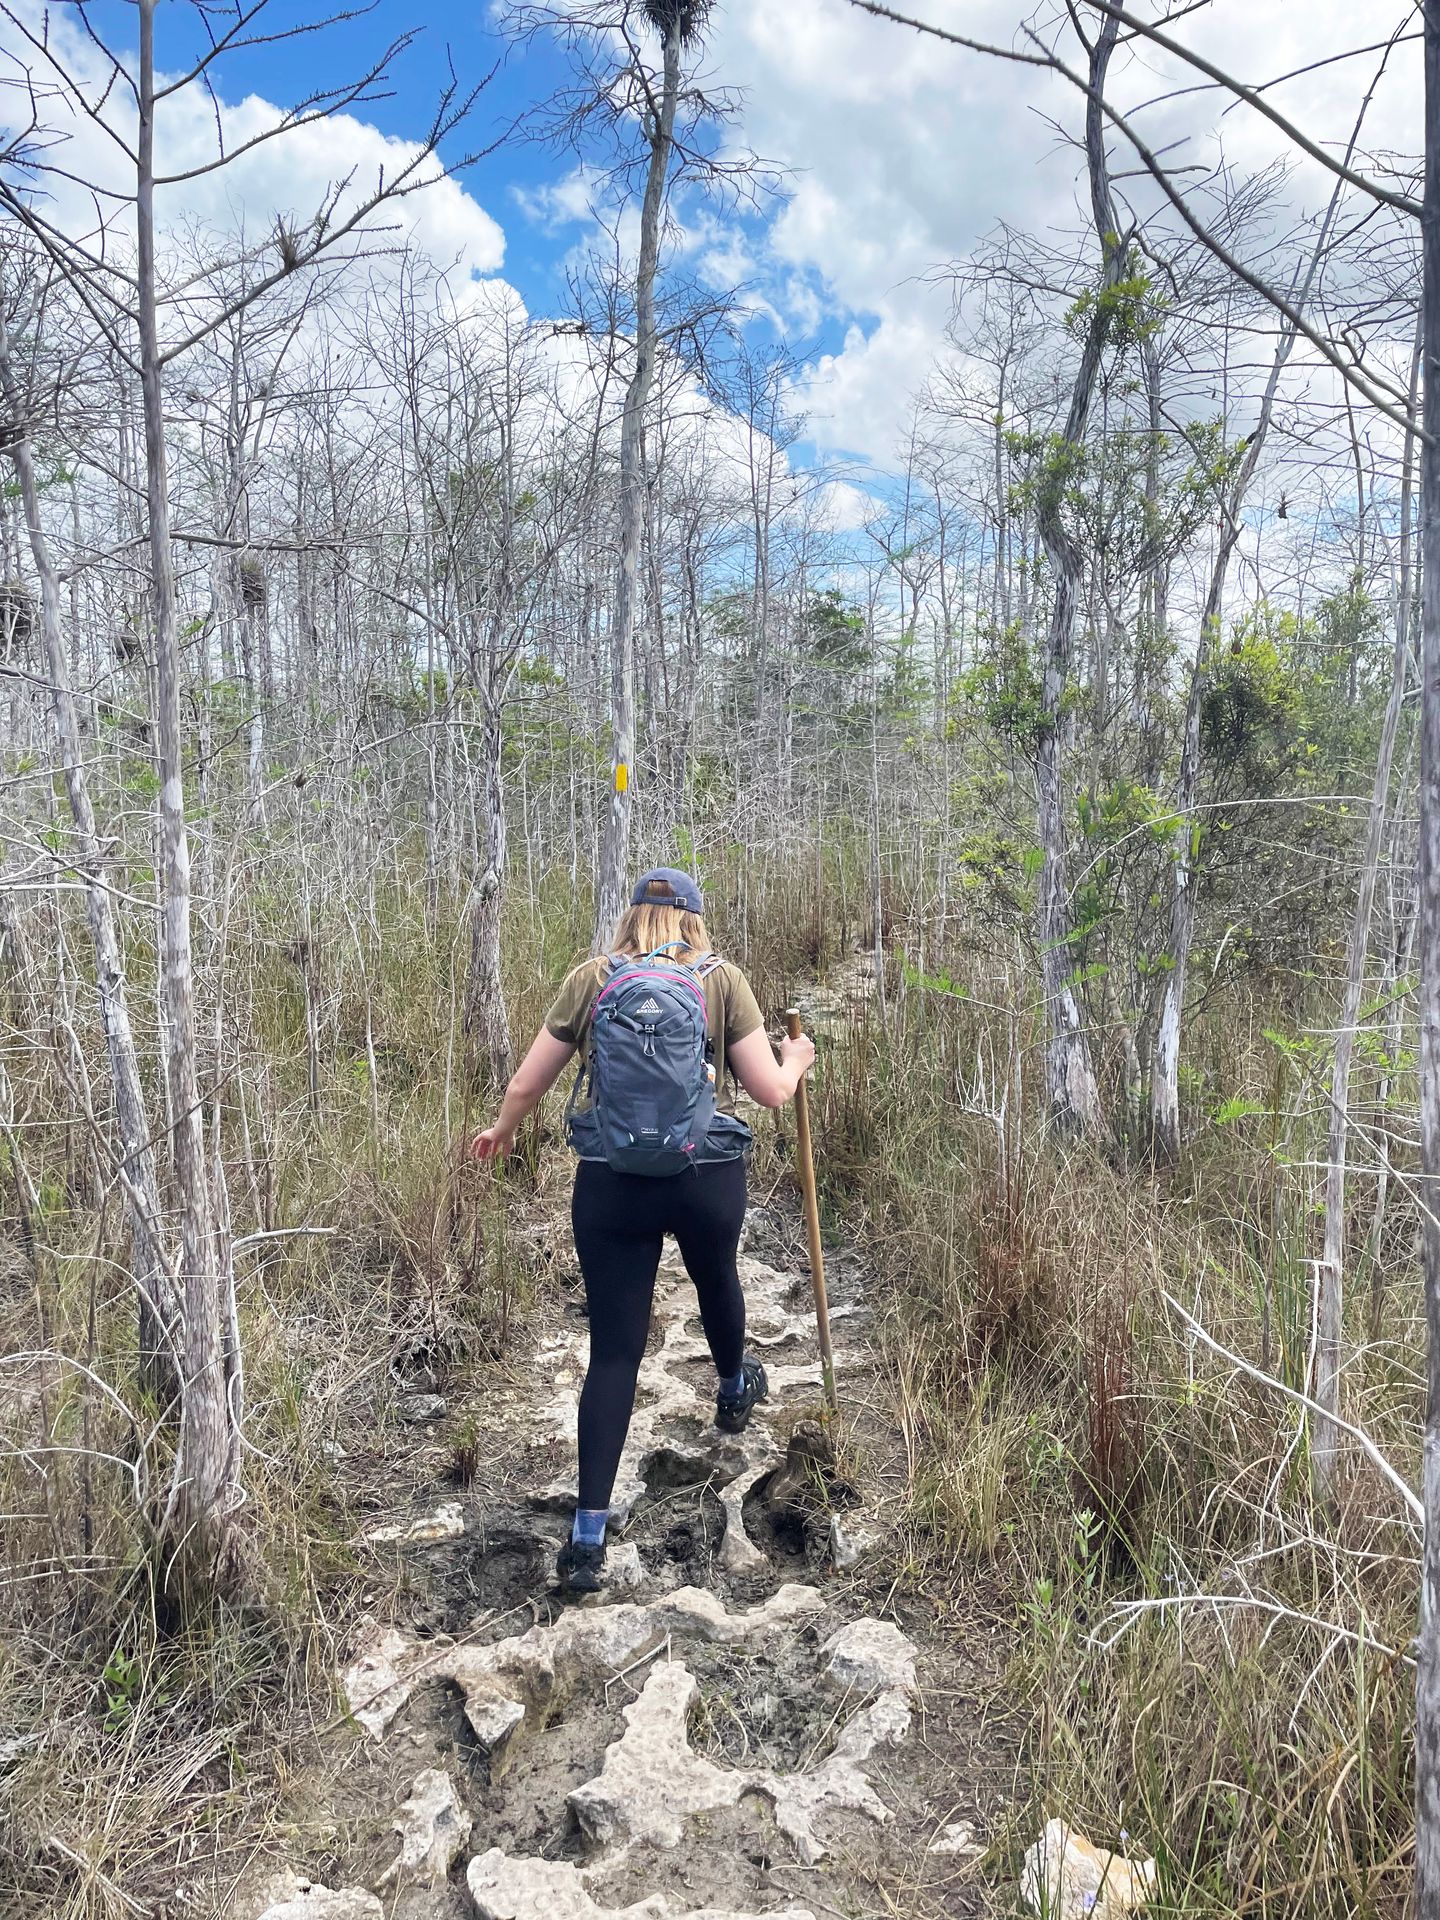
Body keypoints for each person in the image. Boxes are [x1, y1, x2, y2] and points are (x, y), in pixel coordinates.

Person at [471, 867, 816, 1593]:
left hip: (611, 1183)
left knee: (615, 1351)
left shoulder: (593, 978)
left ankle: (587, 1537)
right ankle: (733, 1387)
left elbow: (527, 1083)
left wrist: (502, 1131)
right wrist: (796, 1060)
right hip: (703, 1179)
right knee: (716, 1278)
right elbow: (770, 1092)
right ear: (694, 919)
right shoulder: (722, 980)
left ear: (631, 917)